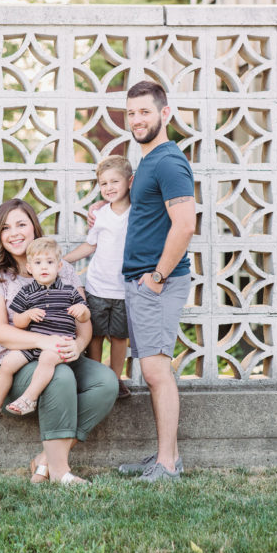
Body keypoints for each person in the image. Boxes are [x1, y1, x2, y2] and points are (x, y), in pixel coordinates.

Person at [0, 199, 118, 485]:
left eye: (21, 224)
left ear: (34, 227)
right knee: (59, 376)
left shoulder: (61, 269)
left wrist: (78, 344)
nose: (14, 233)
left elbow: (82, 322)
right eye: (5, 228)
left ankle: (45, 459)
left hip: (55, 354)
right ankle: (61, 472)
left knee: (106, 382)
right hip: (3, 366)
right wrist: (46, 341)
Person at [113, 80, 196, 482]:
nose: (137, 120)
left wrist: (158, 277)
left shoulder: (168, 161)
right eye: (131, 113)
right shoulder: (147, 159)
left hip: (158, 283)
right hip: (143, 281)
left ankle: (166, 465)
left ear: (165, 113)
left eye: (144, 111)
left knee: (156, 372)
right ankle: (168, 458)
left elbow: (185, 224)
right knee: (153, 370)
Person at [0, 237, 90, 418]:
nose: (44, 267)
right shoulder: (27, 292)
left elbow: (85, 317)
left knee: (47, 358)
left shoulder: (69, 290)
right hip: (32, 345)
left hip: (58, 345)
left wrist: (81, 310)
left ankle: (29, 398)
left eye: (50, 262)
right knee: (8, 363)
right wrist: (28, 315)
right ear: (30, 268)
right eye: (38, 263)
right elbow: (18, 321)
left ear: (59, 266)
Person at [64, 155, 134, 399]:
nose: (109, 188)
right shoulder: (101, 214)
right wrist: (64, 260)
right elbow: (89, 246)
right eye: (103, 184)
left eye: (115, 181)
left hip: (124, 290)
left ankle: (115, 379)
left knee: (118, 337)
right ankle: (93, 376)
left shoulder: (137, 213)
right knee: (95, 336)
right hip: (96, 287)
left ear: (130, 182)